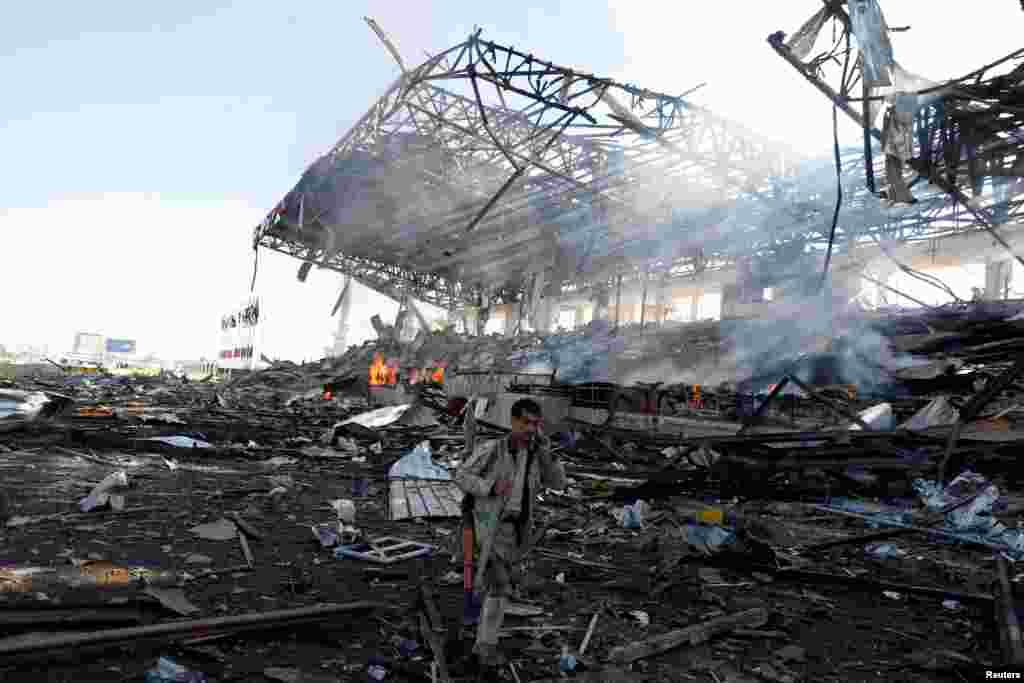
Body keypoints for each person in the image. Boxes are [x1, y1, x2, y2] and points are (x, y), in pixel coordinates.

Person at [455, 398, 566, 673]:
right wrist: (490, 486)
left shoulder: (537, 454)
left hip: (516, 532)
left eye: (536, 424)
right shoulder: (492, 450)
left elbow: (558, 483)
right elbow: (462, 476)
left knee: (500, 585)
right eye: (526, 422)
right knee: (500, 585)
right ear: (513, 421)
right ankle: (484, 648)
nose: (531, 428)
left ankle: (478, 629)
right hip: (488, 525)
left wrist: (546, 453)